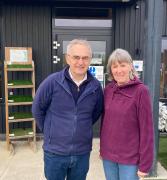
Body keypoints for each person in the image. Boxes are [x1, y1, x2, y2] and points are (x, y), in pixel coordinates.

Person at [32, 39, 103, 180]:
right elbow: (37, 109)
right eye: (76, 57)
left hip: (82, 152)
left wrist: (81, 128)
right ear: (67, 58)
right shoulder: (52, 82)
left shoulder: (95, 87)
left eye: (85, 58)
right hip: (55, 153)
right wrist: (49, 131)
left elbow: (95, 113)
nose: (80, 62)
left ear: (90, 59)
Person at [100, 48, 154, 180]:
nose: (119, 70)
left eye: (122, 65)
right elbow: (104, 123)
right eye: (115, 66)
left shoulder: (141, 91)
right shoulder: (108, 90)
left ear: (130, 66)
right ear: (111, 69)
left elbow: (146, 130)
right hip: (108, 157)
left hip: (130, 159)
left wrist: (145, 164)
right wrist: (102, 149)